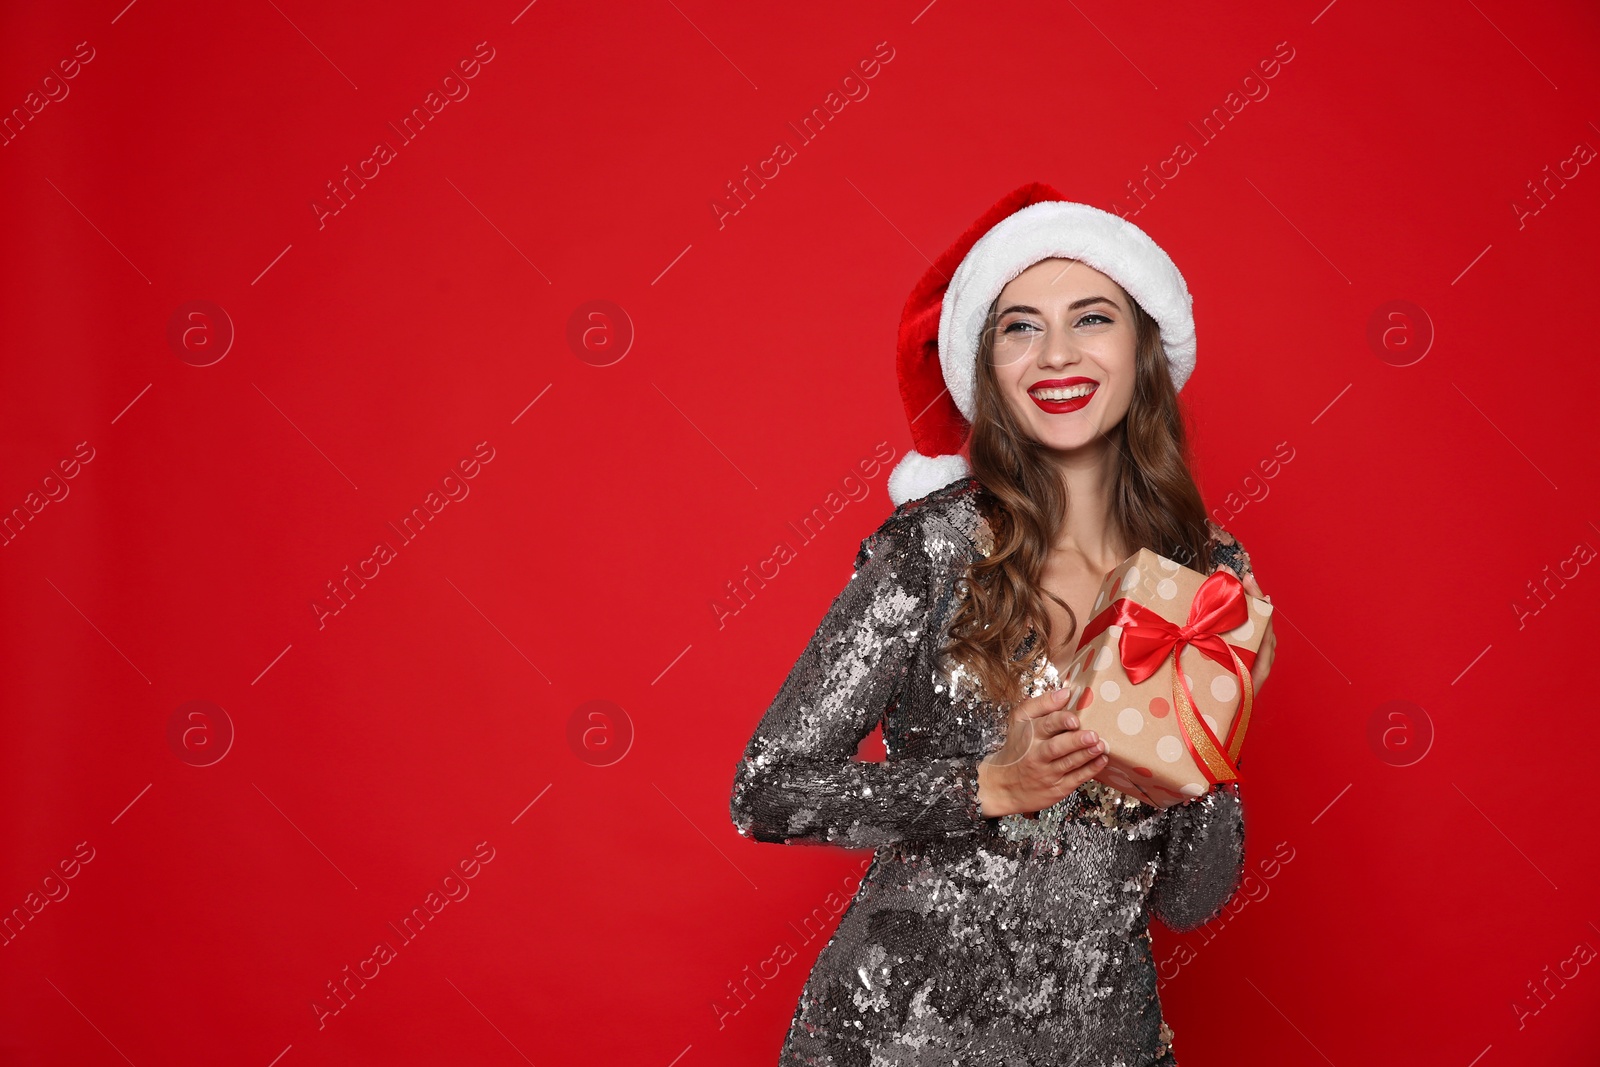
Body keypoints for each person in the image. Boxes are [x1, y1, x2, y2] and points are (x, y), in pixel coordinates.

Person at [728, 184, 1278, 1066]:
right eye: (1020, 326)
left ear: (1144, 349)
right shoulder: (934, 549)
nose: (1056, 352)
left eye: (1092, 317)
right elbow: (767, 787)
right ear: (990, 367)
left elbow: (1191, 898)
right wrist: (989, 785)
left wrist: (1215, 733)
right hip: (898, 1036)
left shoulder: (1205, 577)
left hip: (1107, 1043)